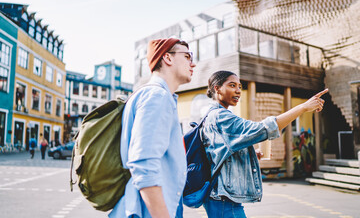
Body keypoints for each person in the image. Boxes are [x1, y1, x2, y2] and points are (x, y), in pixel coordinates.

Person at [201, 70, 328, 218]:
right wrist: (302, 108)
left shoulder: (212, 116)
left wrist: (250, 154)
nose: (238, 91)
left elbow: (218, 153)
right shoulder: (220, 116)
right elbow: (261, 129)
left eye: (240, 86)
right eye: (232, 85)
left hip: (220, 197)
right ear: (217, 88)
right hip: (224, 199)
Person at [109, 38, 196, 218]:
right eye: (187, 56)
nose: (192, 63)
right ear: (168, 58)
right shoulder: (157, 96)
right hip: (151, 210)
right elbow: (143, 163)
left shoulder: (148, 95)